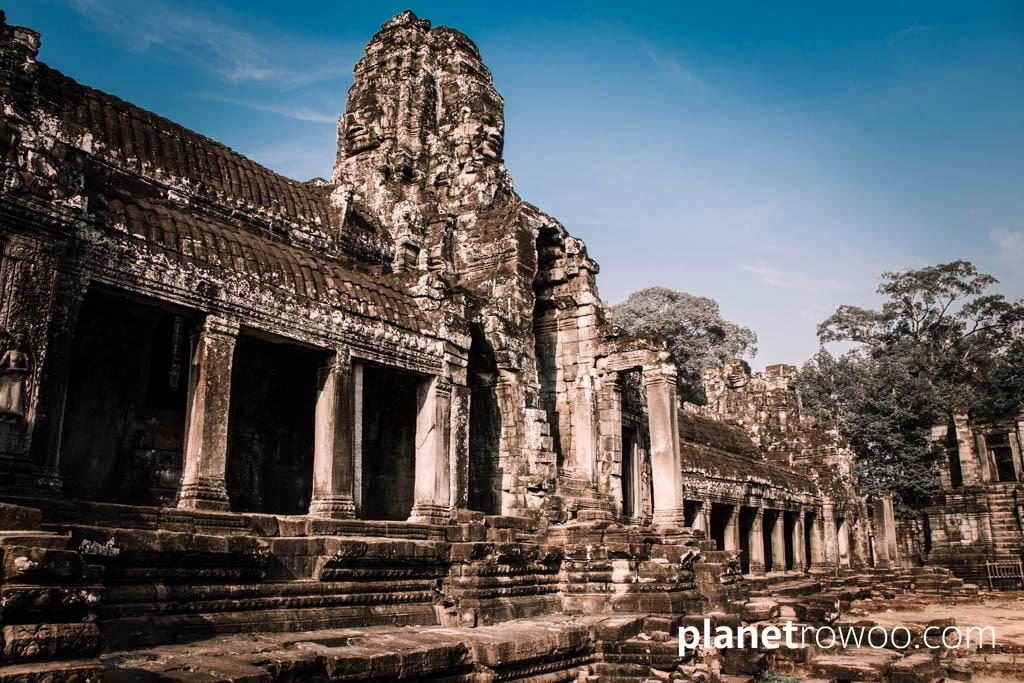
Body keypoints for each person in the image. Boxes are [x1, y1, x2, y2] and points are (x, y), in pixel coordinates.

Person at [0, 332, 31, 419]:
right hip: (8, 375)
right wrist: (5, 370)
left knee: (16, 396)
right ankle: (4, 412)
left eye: (22, 342)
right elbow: (1, 364)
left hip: (18, 377)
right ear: (15, 342)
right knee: (6, 394)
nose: (20, 344)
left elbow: (28, 369)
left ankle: (14, 414)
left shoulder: (24, 355)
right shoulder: (9, 352)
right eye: (18, 341)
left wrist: (15, 369)